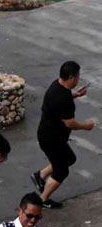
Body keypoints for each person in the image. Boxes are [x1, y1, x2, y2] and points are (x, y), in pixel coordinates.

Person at [30, 61, 94, 209]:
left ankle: (40, 175)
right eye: (78, 76)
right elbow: (70, 123)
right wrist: (87, 126)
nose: (79, 79)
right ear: (71, 77)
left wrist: (76, 94)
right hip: (52, 140)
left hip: (50, 135)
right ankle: (43, 200)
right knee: (61, 170)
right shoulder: (63, 99)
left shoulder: (57, 86)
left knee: (69, 158)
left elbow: (62, 99)